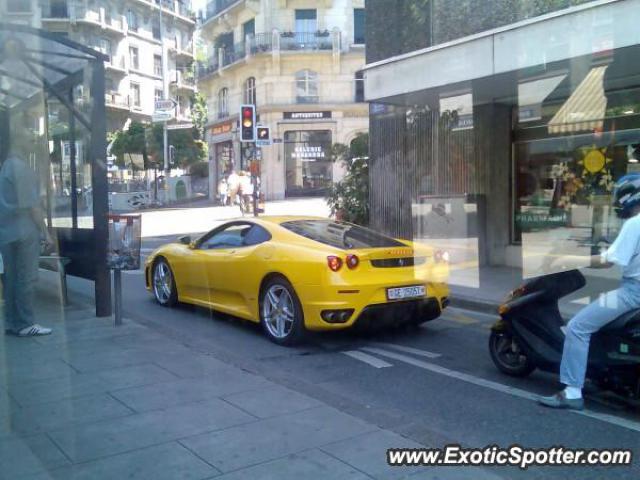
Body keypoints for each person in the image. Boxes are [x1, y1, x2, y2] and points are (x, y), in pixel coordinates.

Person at [539, 174, 640, 410]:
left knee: (577, 327)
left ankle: (572, 392)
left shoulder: (635, 223)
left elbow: (607, 261)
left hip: (633, 293)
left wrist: (568, 259)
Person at [0, 113, 53, 336]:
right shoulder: (21, 168)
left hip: (7, 232)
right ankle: (25, 323)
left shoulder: (5, 166)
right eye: (28, 137)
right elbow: (33, 207)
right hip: (23, 233)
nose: (32, 140)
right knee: (26, 278)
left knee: (12, 279)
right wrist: (46, 233)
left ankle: (13, 323)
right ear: (17, 141)